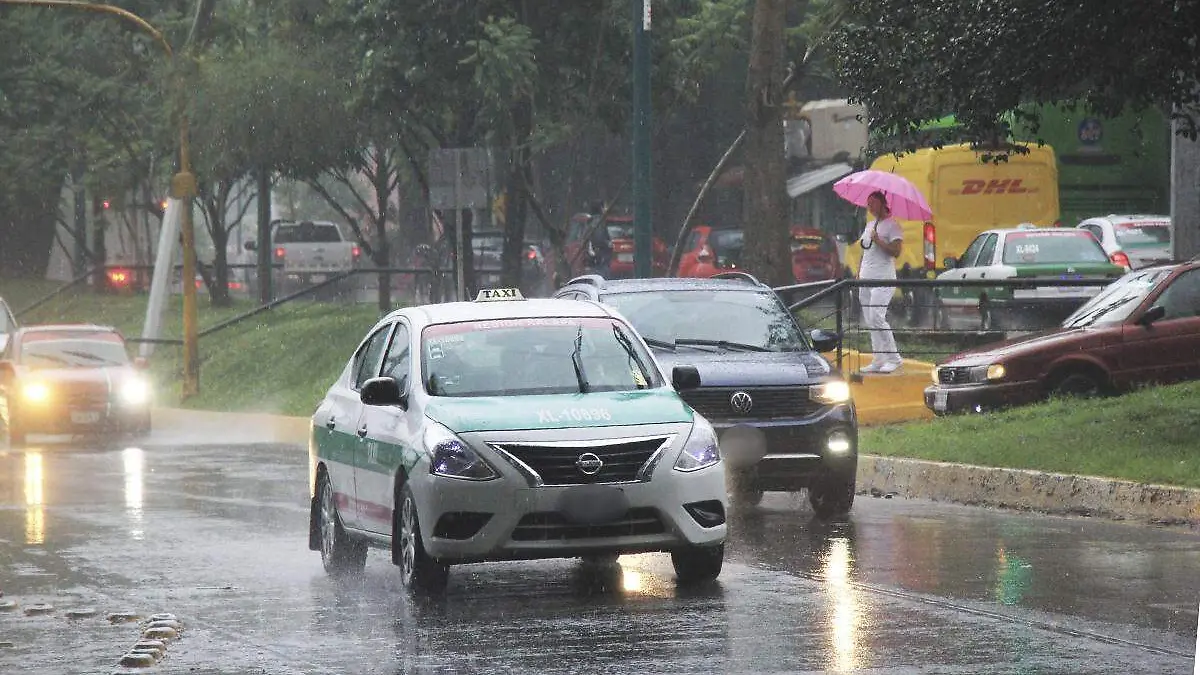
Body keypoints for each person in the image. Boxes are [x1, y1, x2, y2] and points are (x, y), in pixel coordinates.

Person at [857, 191, 904, 373]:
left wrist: (879, 241)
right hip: (865, 278)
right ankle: (878, 358)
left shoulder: (893, 226)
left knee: (877, 317)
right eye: (868, 203)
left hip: (883, 278)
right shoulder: (870, 225)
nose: (870, 207)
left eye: (873, 203)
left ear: (883, 204)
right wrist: (858, 272)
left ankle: (894, 358)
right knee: (870, 320)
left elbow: (896, 251)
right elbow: (865, 251)